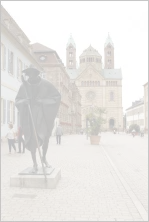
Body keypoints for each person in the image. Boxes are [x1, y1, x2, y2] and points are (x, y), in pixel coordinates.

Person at [15, 65, 61, 173]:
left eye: (32, 76)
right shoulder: (24, 87)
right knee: (32, 139)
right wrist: (24, 102)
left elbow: (57, 97)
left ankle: (44, 158)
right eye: (28, 76)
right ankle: (35, 163)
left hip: (42, 116)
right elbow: (18, 100)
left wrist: (43, 102)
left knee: (45, 138)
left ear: (37, 74)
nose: (30, 79)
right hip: (30, 116)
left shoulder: (46, 84)